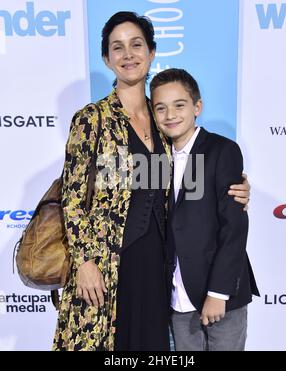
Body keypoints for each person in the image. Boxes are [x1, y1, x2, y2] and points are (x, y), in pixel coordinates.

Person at [52, 12, 250, 351]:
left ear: (152, 52)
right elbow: (71, 199)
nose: (128, 54)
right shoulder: (92, 119)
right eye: (118, 47)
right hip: (106, 267)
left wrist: (237, 188)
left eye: (136, 45)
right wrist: (84, 262)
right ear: (106, 59)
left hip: (159, 268)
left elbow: (194, 177)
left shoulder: (164, 121)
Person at [150, 68, 259, 351]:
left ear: (197, 107)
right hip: (177, 300)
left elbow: (234, 227)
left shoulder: (222, 150)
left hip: (220, 295)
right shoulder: (155, 160)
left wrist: (218, 292)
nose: (170, 115)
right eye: (160, 108)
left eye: (179, 105)